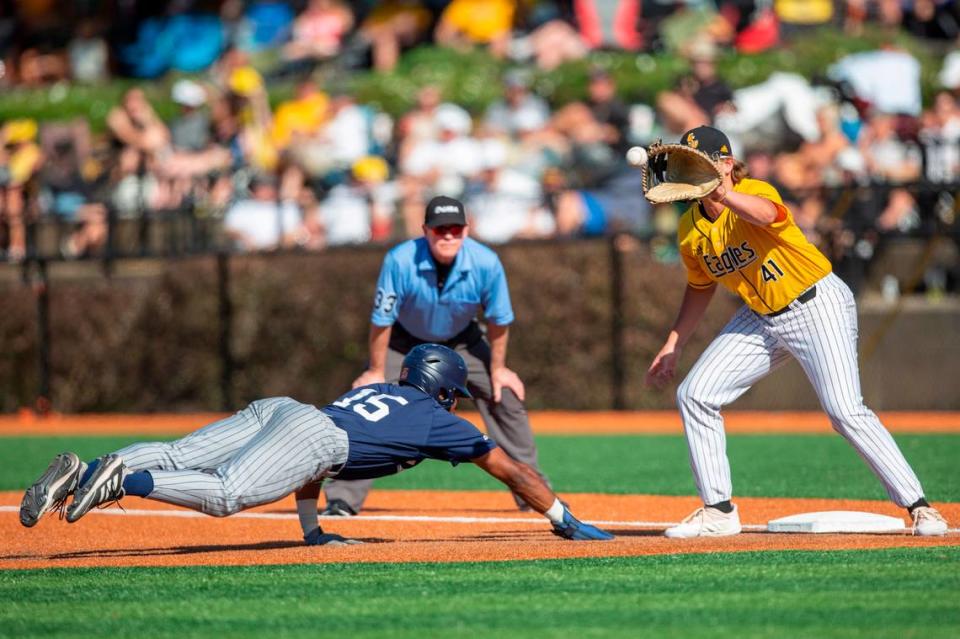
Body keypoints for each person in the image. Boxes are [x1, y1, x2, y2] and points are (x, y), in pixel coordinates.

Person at [643, 125, 949, 539]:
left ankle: (921, 507)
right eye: (687, 166)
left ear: (728, 165)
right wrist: (674, 342)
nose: (693, 173)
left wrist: (724, 193)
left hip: (815, 303)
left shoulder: (757, 191)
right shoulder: (689, 230)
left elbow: (768, 215)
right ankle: (718, 511)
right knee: (695, 394)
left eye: (702, 164)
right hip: (762, 318)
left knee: (844, 411)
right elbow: (700, 287)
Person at [19, 344, 613, 545]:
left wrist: (310, 529)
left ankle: (90, 468)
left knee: (179, 453)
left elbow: (315, 456)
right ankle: (120, 480)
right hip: (316, 432)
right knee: (227, 495)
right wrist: (563, 517)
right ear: (447, 392)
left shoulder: (385, 390)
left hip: (288, 408)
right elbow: (510, 469)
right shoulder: (440, 421)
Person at [322, 195, 550, 516]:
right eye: (440, 229)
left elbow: (499, 320)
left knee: (505, 394)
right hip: (403, 343)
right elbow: (382, 321)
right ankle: (342, 499)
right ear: (425, 230)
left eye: (455, 229)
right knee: (366, 402)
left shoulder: (485, 262)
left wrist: (498, 369)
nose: (448, 236)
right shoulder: (400, 260)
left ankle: (535, 492)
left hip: (462, 342)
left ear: (466, 231)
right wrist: (375, 370)